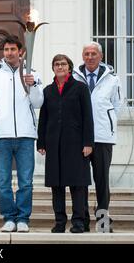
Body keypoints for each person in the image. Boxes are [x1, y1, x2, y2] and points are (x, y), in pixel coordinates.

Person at [0, 35, 44, 233]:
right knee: (3, 181)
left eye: (13, 49)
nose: (9, 53)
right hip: (2, 136)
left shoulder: (32, 73)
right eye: (6, 50)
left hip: (25, 135)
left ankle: (23, 218)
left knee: (26, 181)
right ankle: (9, 217)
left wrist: (32, 85)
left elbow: (38, 103)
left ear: (21, 51)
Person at [37, 54, 94, 234]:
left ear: (69, 67)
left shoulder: (80, 88)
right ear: (53, 68)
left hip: (77, 144)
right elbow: (43, 118)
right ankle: (60, 221)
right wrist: (41, 142)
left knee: (78, 185)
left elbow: (88, 118)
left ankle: (78, 222)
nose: (60, 67)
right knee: (57, 185)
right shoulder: (47, 90)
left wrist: (88, 142)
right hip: (54, 144)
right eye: (56, 64)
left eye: (63, 64)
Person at [73, 42, 122, 233]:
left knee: (102, 180)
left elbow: (117, 106)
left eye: (94, 54)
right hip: (80, 138)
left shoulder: (112, 79)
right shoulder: (75, 76)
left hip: (103, 138)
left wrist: (106, 123)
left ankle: (102, 221)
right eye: (86, 54)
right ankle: (82, 220)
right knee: (81, 181)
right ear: (82, 56)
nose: (90, 57)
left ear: (100, 56)